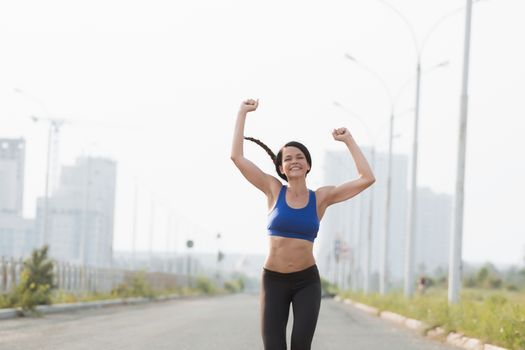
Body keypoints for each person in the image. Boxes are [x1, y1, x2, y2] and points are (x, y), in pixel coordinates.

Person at [230, 98, 375, 350]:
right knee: (274, 346)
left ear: (308, 165)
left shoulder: (320, 198)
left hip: (306, 281)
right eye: (288, 158)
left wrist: (349, 140)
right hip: (273, 280)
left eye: (300, 157)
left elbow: (366, 178)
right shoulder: (273, 190)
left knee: (300, 345)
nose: (294, 161)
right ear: (281, 167)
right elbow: (237, 157)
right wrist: (242, 112)